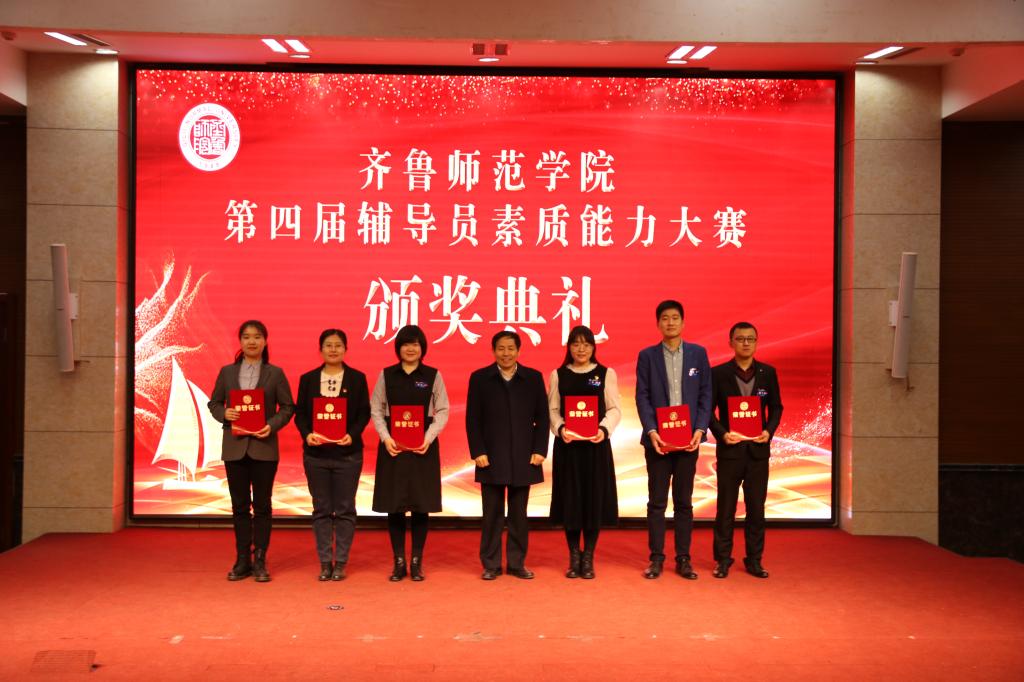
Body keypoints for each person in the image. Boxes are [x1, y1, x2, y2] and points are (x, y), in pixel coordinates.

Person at [208, 320, 294, 582]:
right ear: (240, 342)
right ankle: (242, 559)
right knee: (240, 506)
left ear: (265, 341)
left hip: (264, 448)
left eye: (257, 337)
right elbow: (214, 403)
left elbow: (288, 407)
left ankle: (260, 560)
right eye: (246, 337)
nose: (252, 342)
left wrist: (271, 425)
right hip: (235, 448)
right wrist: (225, 414)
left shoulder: (275, 373)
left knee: (263, 506)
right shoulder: (227, 372)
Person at [635, 300, 711, 580]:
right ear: (658, 324)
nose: (670, 322)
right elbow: (642, 396)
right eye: (665, 318)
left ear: (683, 322)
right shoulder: (647, 356)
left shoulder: (698, 354)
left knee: (684, 502)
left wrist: (700, 429)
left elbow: (706, 394)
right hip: (658, 441)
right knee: (656, 502)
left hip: (689, 440)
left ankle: (683, 558)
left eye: (675, 317)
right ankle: (656, 558)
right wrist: (652, 430)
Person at [466, 330, 549, 580]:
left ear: (519, 351)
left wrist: (540, 449)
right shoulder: (480, 378)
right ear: (493, 351)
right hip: (490, 457)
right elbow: (473, 420)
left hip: (524, 456)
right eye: (501, 348)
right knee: (491, 515)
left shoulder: (533, 378)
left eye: (511, 348)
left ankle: (516, 563)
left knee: (518, 515)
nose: (506, 353)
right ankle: (490, 564)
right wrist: (478, 451)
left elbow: (542, 418)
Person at [370, 325, 448, 582]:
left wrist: (428, 438)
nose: (411, 349)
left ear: (422, 347)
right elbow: (376, 409)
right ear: (398, 348)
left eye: (415, 344)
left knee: (420, 506)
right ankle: (398, 562)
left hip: (423, 448)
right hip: (393, 448)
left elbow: (443, 410)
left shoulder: (432, 375)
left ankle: (416, 561)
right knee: (394, 506)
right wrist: (386, 438)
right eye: (405, 344)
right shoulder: (387, 375)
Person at [294, 328, 370, 581]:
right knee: (322, 509)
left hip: (348, 455)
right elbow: (300, 414)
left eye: (338, 345)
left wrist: (353, 434)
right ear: (320, 349)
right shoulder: (308, 379)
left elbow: (364, 412)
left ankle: (341, 563)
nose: (333, 349)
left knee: (345, 509)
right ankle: (325, 562)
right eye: (328, 345)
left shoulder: (357, 378)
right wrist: (307, 434)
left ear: (346, 349)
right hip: (316, 455)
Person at [709, 322, 783, 579]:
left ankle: (754, 560)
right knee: (725, 509)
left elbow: (776, 407)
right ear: (730, 342)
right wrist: (722, 433)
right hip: (730, 451)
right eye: (740, 339)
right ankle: (722, 560)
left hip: (757, 452)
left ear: (756, 342)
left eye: (750, 339)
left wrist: (768, 431)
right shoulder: (718, 373)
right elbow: (708, 411)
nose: (745, 343)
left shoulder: (768, 373)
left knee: (756, 510)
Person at [548, 325, 620, 579]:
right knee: (571, 501)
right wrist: (561, 428)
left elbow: (614, 409)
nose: (581, 349)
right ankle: (573, 556)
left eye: (586, 344)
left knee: (592, 500)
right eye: (576, 344)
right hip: (568, 448)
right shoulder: (558, 374)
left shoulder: (605, 373)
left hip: (595, 447)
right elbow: (552, 410)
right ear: (569, 347)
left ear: (593, 347)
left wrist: (604, 428)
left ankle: (588, 556)